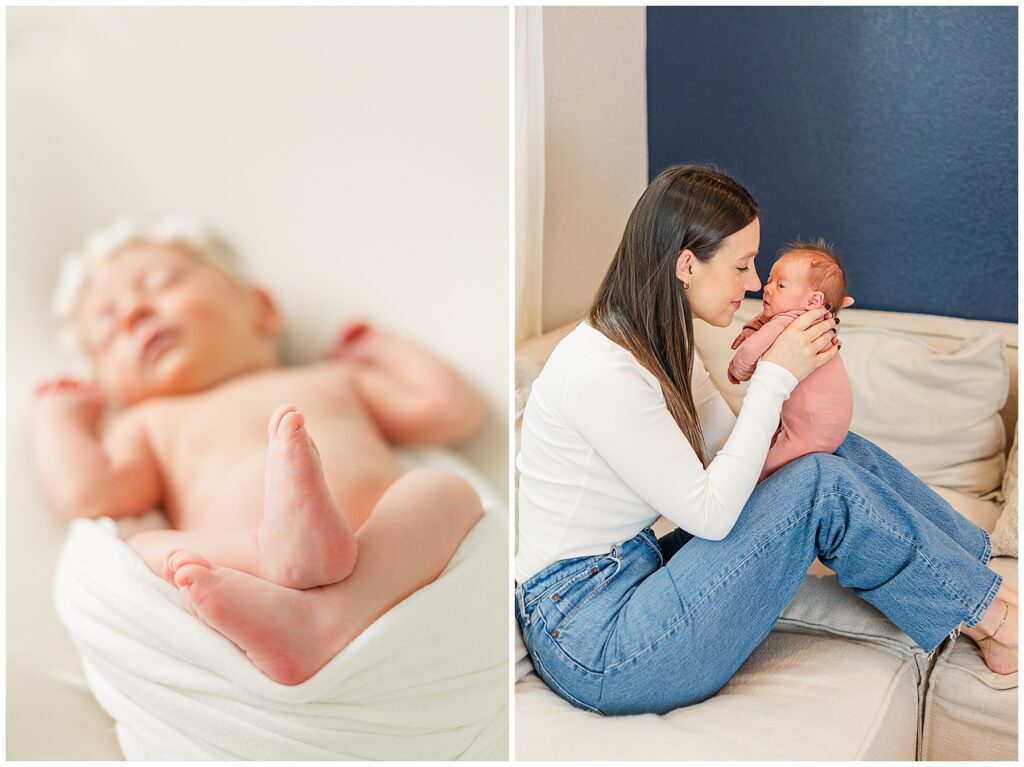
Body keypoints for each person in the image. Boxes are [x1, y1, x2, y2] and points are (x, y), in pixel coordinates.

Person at [514, 165, 1017, 717]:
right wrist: (774, 378)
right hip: (594, 641)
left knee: (824, 449)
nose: (753, 283)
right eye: (740, 265)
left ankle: (978, 573)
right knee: (818, 485)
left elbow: (736, 452)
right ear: (687, 265)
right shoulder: (601, 371)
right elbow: (711, 514)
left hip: (633, 578)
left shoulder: (659, 344)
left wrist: (798, 391)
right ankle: (994, 621)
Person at [33, 219, 485, 685]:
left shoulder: (330, 378)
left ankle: (330, 619)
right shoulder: (149, 422)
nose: (134, 315)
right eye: (108, 333)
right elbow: (90, 493)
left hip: (387, 555)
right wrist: (59, 419)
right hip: (252, 575)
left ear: (262, 309)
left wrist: (382, 346)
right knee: (136, 549)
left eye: (160, 284)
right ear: (114, 388)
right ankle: (271, 551)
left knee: (444, 490)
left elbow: (451, 410)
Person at [727, 239, 853, 481]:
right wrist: (752, 328)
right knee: (766, 448)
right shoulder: (802, 318)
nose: (767, 288)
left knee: (760, 472)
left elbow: (753, 349)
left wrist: (738, 368)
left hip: (813, 431)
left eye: (781, 285)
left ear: (813, 301)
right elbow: (763, 321)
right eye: (769, 281)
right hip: (822, 425)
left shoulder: (791, 322)